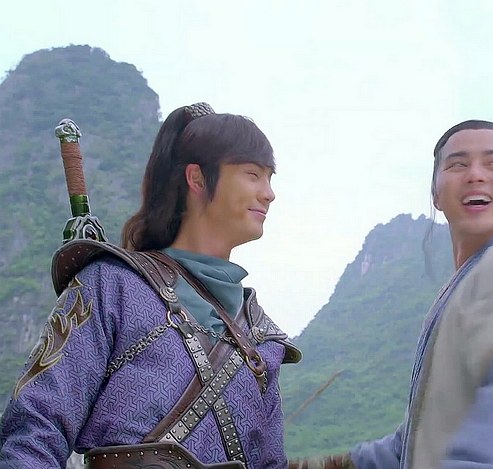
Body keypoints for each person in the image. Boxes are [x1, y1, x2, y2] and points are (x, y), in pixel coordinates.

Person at [0, 103, 301, 468]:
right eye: (253, 175)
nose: (268, 193)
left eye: (269, 178)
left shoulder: (261, 338)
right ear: (197, 179)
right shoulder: (112, 287)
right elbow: (33, 431)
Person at [290, 120, 493, 469]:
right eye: (458, 164)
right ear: (436, 194)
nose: (475, 175)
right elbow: (415, 443)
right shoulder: (464, 286)